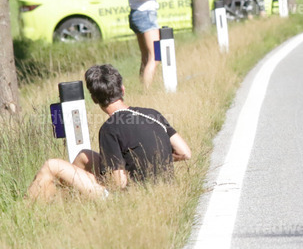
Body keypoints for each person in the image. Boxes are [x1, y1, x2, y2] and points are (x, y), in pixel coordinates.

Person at [26, 64, 192, 202]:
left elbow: (118, 183)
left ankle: (27, 210)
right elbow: (184, 153)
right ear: (122, 89)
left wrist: (94, 181)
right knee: (85, 155)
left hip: (131, 199)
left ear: (94, 99)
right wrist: (152, 161)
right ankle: (68, 204)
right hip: (165, 190)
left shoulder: (109, 129)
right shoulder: (152, 114)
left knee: (51, 166)